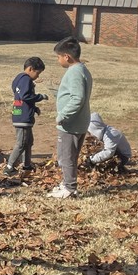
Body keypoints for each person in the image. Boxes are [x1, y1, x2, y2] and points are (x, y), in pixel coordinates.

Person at [50, 36, 92, 199]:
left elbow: (77, 98)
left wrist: (62, 115)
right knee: (69, 155)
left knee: (65, 156)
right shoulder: (82, 69)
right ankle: (66, 183)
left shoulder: (74, 72)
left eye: (58, 57)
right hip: (80, 122)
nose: (58, 60)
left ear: (66, 57)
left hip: (71, 124)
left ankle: (69, 188)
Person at [4, 57, 48, 176]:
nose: (37, 76)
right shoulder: (26, 80)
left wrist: (34, 108)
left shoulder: (18, 78)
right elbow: (25, 96)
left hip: (20, 113)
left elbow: (21, 98)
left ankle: (27, 164)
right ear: (30, 69)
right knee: (21, 142)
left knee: (28, 142)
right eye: (37, 73)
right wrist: (40, 97)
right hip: (23, 118)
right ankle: (9, 167)